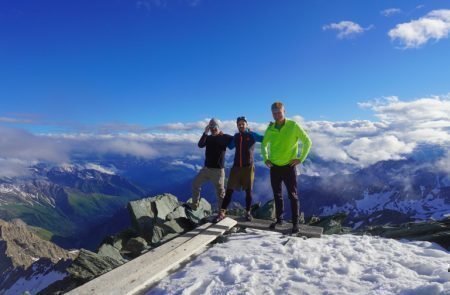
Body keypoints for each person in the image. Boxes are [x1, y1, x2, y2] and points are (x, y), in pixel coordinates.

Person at [261, 102, 312, 234]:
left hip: (289, 167)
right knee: (277, 195)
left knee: (293, 196)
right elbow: (263, 144)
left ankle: (295, 224)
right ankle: (279, 220)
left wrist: (300, 159)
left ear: (284, 112)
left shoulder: (293, 125)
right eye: (274, 113)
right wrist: (266, 158)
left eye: (279, 112)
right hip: (274, 167)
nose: (277, 115)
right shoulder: (270, 128)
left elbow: (307, 142)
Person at [214, 116, 263, 222]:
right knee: (229, 190)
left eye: (243, 123)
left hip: (248, 167)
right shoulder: (236, 136)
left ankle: (248, 213)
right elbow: (230, 145)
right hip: (236, 167)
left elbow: (263, 139)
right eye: (239, 124)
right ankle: (222, 212)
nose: (241, 125)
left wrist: (271, 130)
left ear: (246, 124)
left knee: (248, 191)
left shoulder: (252, 135)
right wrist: (221, 135)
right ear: (237, 126)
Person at [191, 118, 233, 211]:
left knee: (220, 193)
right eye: (211, 128)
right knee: (195, 184)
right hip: (206, 169)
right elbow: (200, 144)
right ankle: (194, 205)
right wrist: (205, 132)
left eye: (214, 127)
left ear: (218, 127)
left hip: (218, 171)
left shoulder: (224, 137)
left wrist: (247, 133)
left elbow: (236, 140)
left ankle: (222, 213)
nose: (213, 129)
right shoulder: (208, 138)